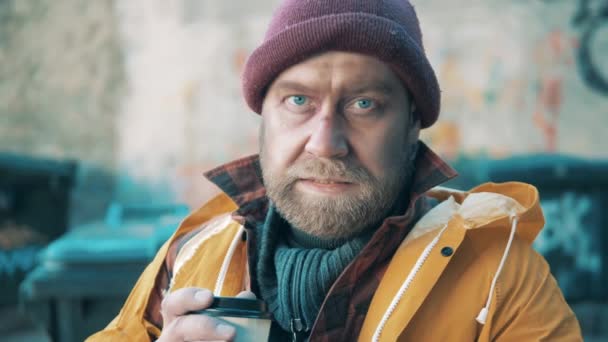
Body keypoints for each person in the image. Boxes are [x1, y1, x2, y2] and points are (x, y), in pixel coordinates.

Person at [88, 0, 582, 341]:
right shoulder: (191, 255)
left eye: (364, 103)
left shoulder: (497, 274)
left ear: (412, 124)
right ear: (265, 117)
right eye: (298, 100)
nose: (326, 141)